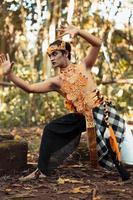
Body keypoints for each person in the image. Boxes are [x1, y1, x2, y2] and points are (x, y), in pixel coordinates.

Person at [0, 23, 131, 181]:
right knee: (50, 129)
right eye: (50, 56)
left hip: (101, 111)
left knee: (116, 149)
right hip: (82, 116)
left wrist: (79, 31)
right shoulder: (56, 81)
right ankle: (42, 170)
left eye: (55, 54)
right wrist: (10, 75)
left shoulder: (84, 66)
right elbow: (29, 88)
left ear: (66, 54)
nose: (52, 58)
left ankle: (122, 171)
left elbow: (97, 43)